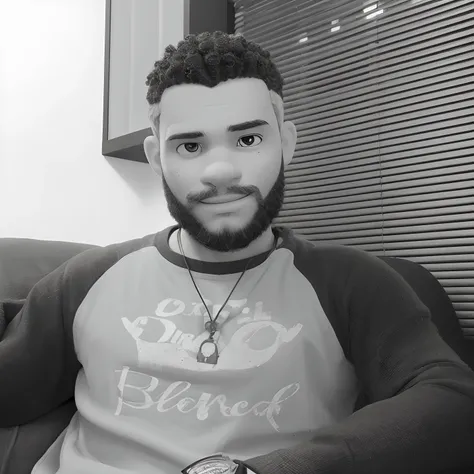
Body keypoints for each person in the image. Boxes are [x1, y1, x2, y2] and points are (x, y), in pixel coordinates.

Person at [1, 31, 474, 474]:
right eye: (189, 145)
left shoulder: (351, 283)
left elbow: (452, 399)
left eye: (248, 139)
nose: (221, 170)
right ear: (155, 157)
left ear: (285, 144)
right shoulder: (85, 280)